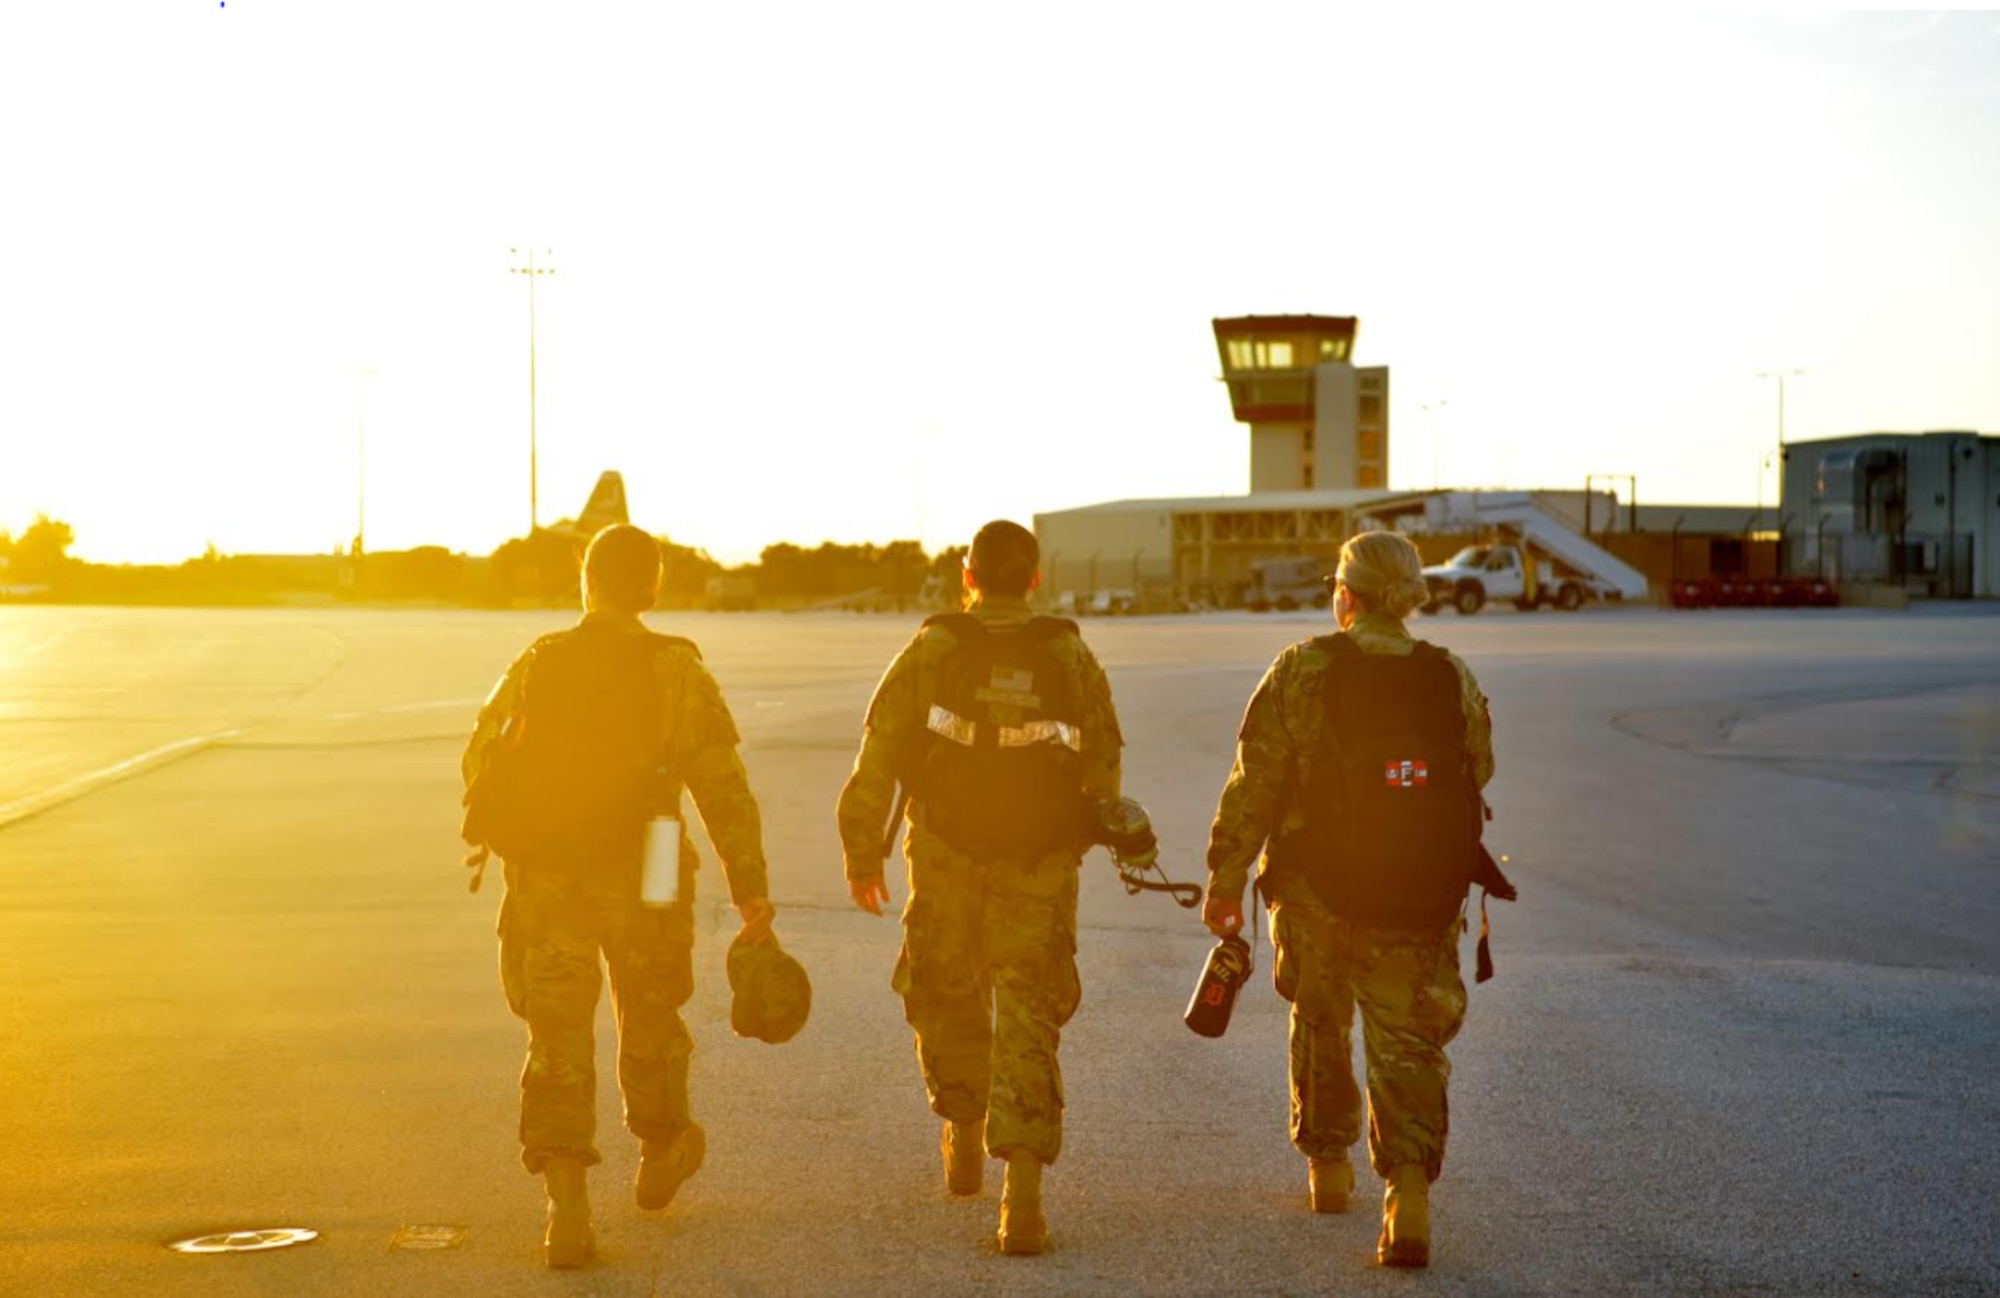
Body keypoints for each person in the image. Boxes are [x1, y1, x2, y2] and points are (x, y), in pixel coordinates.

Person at [461, 523, 776, 1269]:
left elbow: (481, 755)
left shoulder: (539, 661)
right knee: (651, 1004)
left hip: (548, 868)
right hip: (654, 857)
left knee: (558, 1028)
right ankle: (663, 1144)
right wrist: (751, 890)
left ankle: (566, 1207)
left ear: (586, 582)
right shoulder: (676, 669)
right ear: (653, 588)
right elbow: (724, 789)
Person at [1200, 530, 1494, 1269]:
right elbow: (1477, 768)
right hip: (1417, 890)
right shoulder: (1448, 674)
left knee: (1321, 1022)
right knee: (1406, 1040)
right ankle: (1408, 1201)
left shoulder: (1301, 669)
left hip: (1314, 890)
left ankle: (1328, 1172)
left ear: (1347, 595)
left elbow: (1254, 785)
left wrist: (1225, 879)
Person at [836, 520, 1123, 1257]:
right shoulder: (1068, 652)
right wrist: (1078, 839)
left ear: (968, 578)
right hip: (1040, 861)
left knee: (943, 987)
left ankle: (962, 1127)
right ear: (1033, 578)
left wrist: (861, 853)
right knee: (1029, 1009)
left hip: (944, 854)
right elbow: (1104, 759)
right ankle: (1021, 1195)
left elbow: (878, 755)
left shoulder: (932, 649)